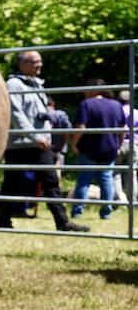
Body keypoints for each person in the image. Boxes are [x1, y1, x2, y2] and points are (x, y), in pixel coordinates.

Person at [0, 50, 86, 232]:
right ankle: (4, 221)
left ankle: (63, 222)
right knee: (11, 183)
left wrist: (44, 136)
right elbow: (16, 114)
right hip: (20, 144)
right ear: (23, 64)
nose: (40, 65)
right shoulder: (14, 84)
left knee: (51, 181)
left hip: (40, 144)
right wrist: (35, 136)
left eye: (40, 62)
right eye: (35, 62)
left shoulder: (37, 84)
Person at [69, 78, 126, 220]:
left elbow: (81, 127)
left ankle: (77, 211)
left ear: (93, 90)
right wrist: (118, 145)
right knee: (106, 179)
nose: (84, 92)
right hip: (110, 149)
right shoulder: (116, 105)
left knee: (84, 180)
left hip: (89, 149)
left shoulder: (87, 104)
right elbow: (122, 129)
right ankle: (106, 212)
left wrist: (74, 144)